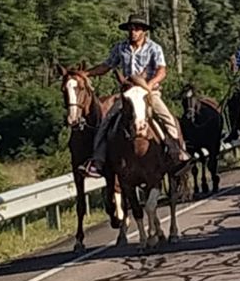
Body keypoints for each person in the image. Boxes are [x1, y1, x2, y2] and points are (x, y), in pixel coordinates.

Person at [81, 14, 190, 178]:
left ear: (144, 31)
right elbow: (107, 65)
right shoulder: (120, 48)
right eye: (131, 29)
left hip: (148, 92)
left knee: (167, 117)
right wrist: (87, 73)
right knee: (106, 122)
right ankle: (98, 161)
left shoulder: (154, 48)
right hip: (128, 94)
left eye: (137, 29)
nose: (133, 32)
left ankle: (177, 152)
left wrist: (150, 85)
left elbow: (162, 70)